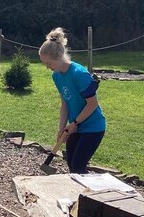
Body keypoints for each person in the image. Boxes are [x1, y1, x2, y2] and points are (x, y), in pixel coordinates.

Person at [39, 27, 106, 174]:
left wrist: (75, 123)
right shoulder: (56, 76)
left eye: (48, 63)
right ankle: (81, 195)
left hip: (93, 127)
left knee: (78, 166)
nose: (47, 67)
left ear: (59, 56)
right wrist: (61, 129)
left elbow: (92, 104)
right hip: (75, 126)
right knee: (71, 164)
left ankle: (90, 196)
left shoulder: (79, 74)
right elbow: (65, 104)